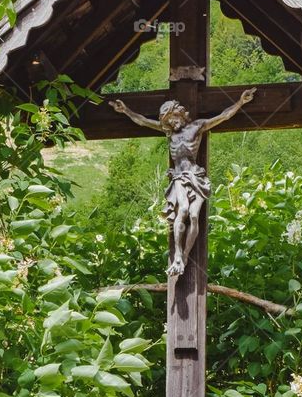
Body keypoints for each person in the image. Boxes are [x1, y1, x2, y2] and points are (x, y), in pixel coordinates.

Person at [109, 89, 257, 276]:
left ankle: (184, 256)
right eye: (168, 120)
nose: (171, 122)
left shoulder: (197, 127)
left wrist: (241, 102)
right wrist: (126, 111)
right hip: (179, 177)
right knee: (184, 210)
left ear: (180, 113)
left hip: (197, 177)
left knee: (194, 216)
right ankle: (177, 254)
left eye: (173, 117)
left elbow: (223, 116)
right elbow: (144, 121)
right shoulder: (169, 132)